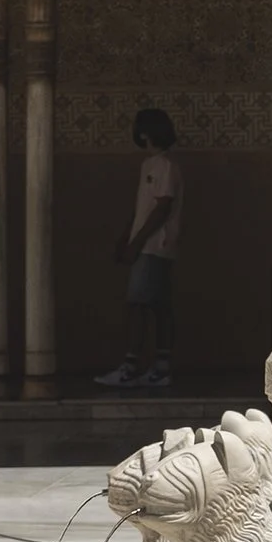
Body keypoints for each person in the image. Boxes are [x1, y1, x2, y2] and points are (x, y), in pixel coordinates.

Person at [97, 108, 181, 389]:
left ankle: (133, 367)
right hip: (146, 245)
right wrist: (126, 237)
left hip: (155, 246)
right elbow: (142, 209)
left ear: (146, 132)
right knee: (155, 305)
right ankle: (158, 367)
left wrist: (136, 243)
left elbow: (162, 208)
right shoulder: (149, 165)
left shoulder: (165, 165)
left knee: (139, 304)